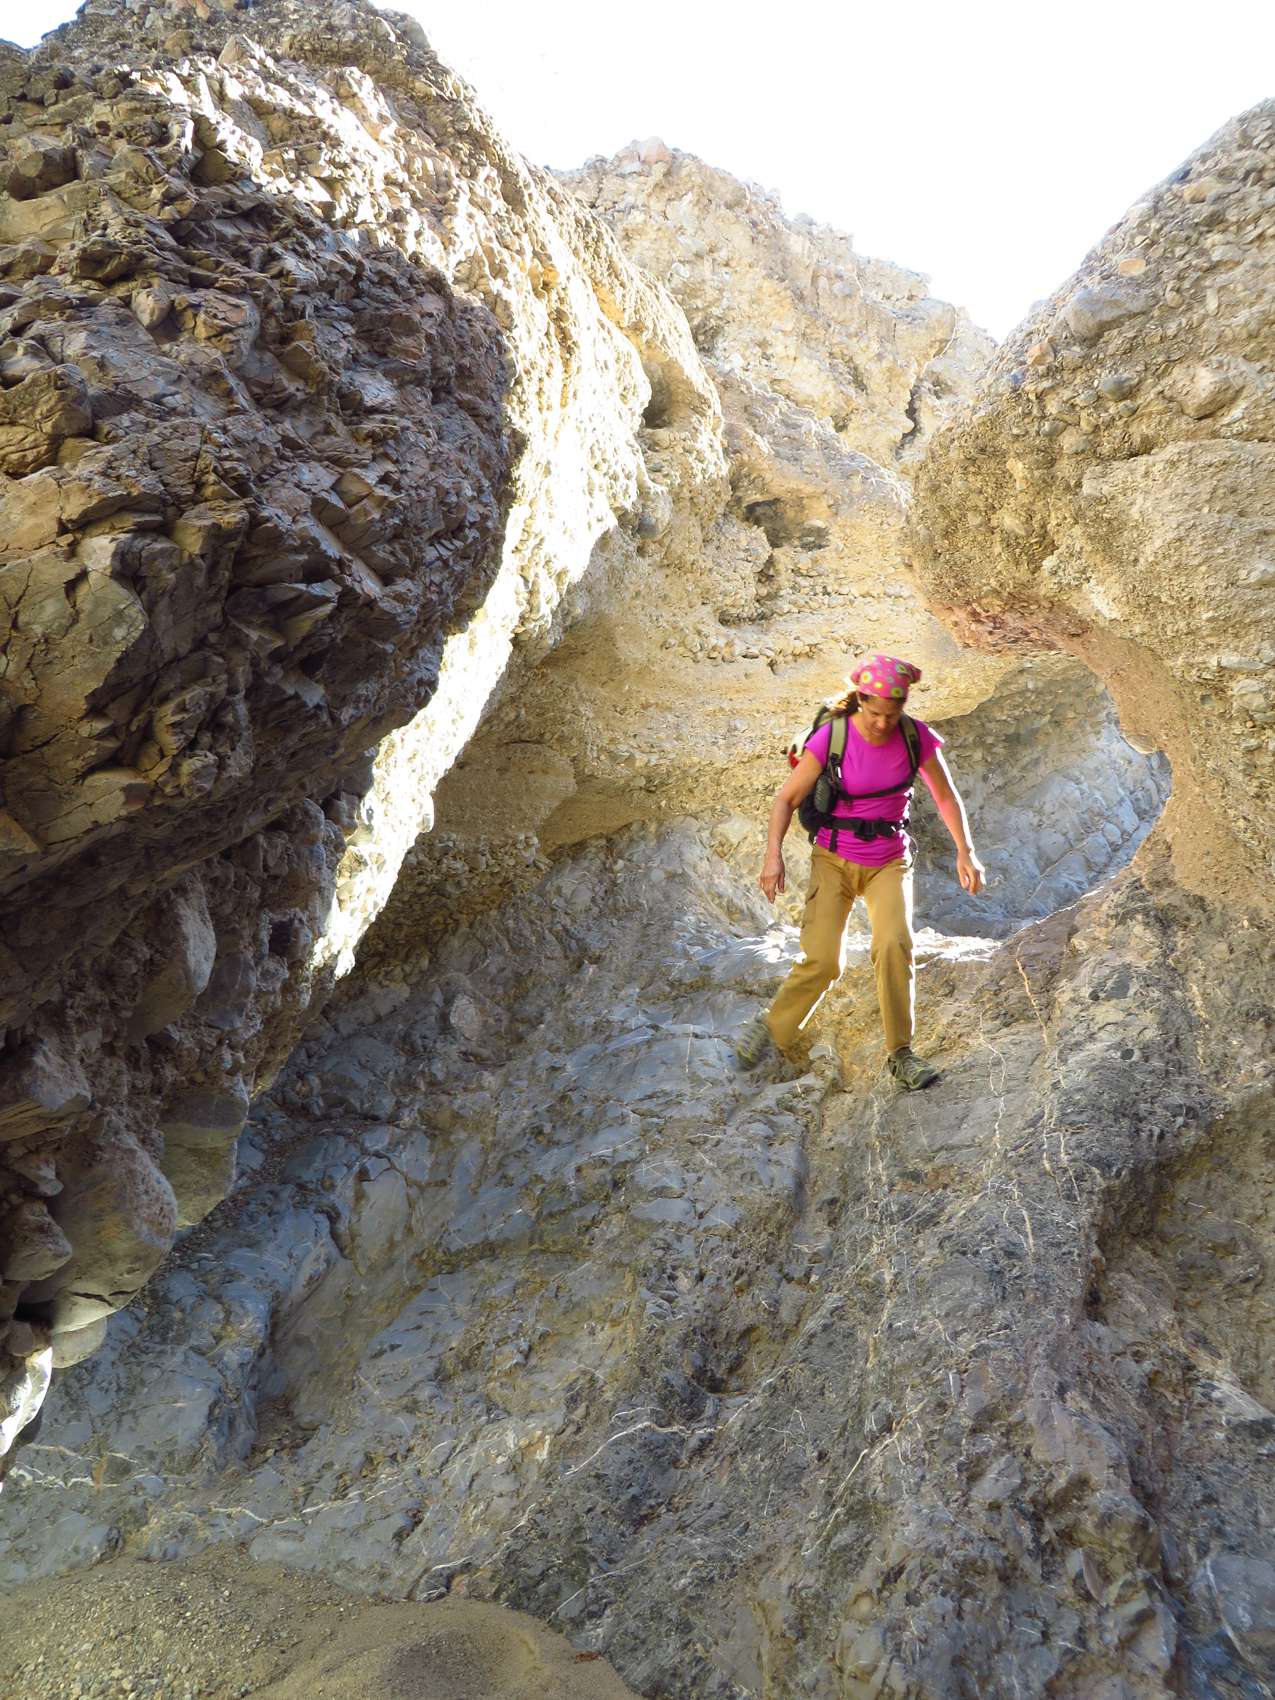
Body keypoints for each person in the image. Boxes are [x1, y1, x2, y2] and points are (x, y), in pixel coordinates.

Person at [736, 653, 984, 1088]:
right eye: (874, 713)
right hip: (832, 859)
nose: (883, 723)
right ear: (860, 700)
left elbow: (946, 797)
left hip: (889, 860)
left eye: (893, 713)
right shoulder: (832, 737)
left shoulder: (916, 737)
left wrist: (966, 851)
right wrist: (772, 856)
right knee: (823, 961)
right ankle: (773, 1026)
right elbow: (786, 799)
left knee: (893, 946)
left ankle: (901, 1054)